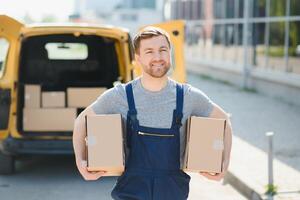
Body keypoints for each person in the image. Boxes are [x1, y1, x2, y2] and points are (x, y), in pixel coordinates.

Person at [73, 26, 232, 200]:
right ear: (138, 58)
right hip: (131, 192)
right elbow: (82, 121)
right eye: (149, 52)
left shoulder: (188, 96)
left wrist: (224, 163)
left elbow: (224, 122)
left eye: (163, 50)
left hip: (173, 193)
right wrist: (81, 162)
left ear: (169, 53)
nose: (157, 57)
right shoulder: (121, 95)